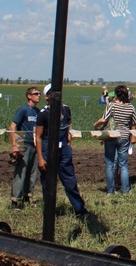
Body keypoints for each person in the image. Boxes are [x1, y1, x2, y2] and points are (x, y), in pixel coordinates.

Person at [35, 84, 89, 219]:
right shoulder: (43, 114)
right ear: (47, 96)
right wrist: (40, 158)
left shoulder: (66, 110)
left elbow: (68, 127)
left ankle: (80, 210)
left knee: (70, 180)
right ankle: (49, 212)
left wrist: (68, 144)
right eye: (52, 93)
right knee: (48, 182)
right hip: (48, 148)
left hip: (64, 148)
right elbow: (38, 137)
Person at [94, 85, 136, 194]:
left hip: (111, 135)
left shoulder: (112, 106)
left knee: (109, 164)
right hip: (124, 137)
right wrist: (132, 137)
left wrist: (95, 125)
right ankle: (126, 190)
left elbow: (104, 120)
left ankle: (110, 190)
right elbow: (134, 123)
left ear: (116, 95)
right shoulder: (131, 108)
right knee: (123, 164)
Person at [8, 86, 41, 209]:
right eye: (36, 93)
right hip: (24, 144)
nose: (39, 95)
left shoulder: (38, 112)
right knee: (21, 172)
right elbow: (12, 126)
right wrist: (15, 145)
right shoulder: (23, 109)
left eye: (39, 93)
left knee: (33, 173)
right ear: (29, 96)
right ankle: (15, 200)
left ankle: (28, 197)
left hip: (35, 145)